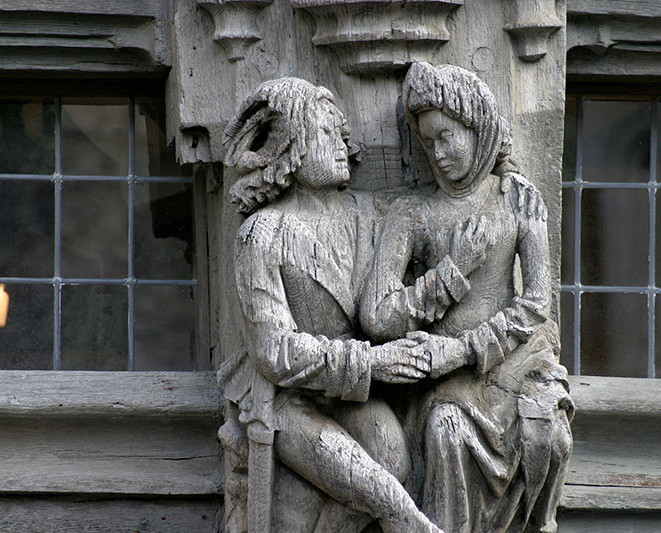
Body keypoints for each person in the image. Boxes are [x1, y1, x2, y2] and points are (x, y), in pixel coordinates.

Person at [218, 77, 443, 533]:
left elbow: (434, 219)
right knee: (389, 502)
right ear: (291, 147)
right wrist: (374, 362)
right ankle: (414, 525)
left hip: (352, 391)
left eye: (343, 132)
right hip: (286, 399)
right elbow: (274, 351)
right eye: (326, 132)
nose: (342, 142)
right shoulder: (263, 234)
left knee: (392, 455)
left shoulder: (369, 216)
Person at [359, 62, 573, 533]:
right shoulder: (412, 212)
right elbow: (376, 316)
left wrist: (464, 348)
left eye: (447, 136)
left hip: (513, 368)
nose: (438, 153)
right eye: (427, 142)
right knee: (446, 432)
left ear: (478, 129)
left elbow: (537, 303)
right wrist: (451, 273)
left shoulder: (517, 200)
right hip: (446, 386)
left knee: (548, 434)